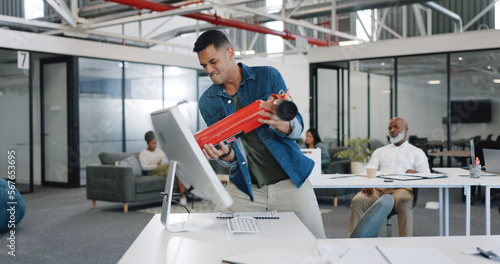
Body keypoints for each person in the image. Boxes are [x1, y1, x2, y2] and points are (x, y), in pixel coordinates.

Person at [193, 29, 326, 239]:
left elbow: (297, 124)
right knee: (217, 240)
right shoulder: (207, 101)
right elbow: (231, 155)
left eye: (213, 61)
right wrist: (223, 153)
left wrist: (284, 125)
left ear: (230, 53)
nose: (209, 69)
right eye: (203, 65)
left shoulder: (268, 76)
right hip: (246, 187)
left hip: (290, 182)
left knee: (318, 246)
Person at [348, 117, 430, 237]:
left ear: (406, 129)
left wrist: (416, 173)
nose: (392, 130)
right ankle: (354, 241)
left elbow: (427, 175)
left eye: (396, 127)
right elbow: (369, 170)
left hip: (402, 190)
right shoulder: (380, 151)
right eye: (390, 128)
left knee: (404, 200)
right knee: (357, 200)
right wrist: (368, 183)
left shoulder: (416, 152)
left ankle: (405, 244)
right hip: (377, 190)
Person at [139, 130, 187, 206]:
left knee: (179, 173)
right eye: (153, 143)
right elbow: (144, 167)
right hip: (153, 171)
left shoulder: (159, 151)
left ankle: (183, 197)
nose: (155, 145)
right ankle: (183, 197)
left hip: (164, 168)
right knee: (173, 166)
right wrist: (156, 165)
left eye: (156, 143)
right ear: (148, 143)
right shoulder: (143, 153)